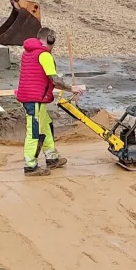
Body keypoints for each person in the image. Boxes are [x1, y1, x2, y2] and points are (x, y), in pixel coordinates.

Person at [15, 27, 83, 176]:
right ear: (50, 40)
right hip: (35, 100)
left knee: (46, 125)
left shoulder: (28, 52)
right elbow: (55, 80)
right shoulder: (44, 55)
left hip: (31, 97)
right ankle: (30, 166)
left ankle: (52, 157)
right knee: (34, 132)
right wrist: (72, 88)